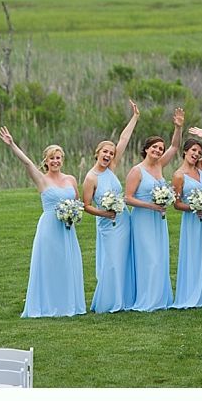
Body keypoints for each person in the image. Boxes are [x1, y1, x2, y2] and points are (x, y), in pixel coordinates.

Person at [0, 126, 86, 318]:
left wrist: (74, 214)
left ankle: (68, 305)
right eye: (52, 158)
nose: (55, 161)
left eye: (58, 157)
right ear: (46, 161)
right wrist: (12, 144)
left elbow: (77, 202)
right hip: (49, 228)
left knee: (67, 264)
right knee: (50, 265)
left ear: (62, 160)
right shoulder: (42, 180)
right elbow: (28, 163)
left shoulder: (71, 179)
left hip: (67, 228)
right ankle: (48, 305)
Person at [81, 100, 140, 313]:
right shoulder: (91, 177)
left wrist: (134, 117)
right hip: (107, 223)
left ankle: (125, 299)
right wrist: (104, 213)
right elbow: (86, 206)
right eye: (105, 152)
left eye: (111, 153)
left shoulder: (112, 168)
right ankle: (108, 302)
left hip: (124, 220)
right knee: (112, 261)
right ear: (97, 153)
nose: (108, 155)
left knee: (124, 259)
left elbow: (123, 139)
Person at [124, 107, 185, 312]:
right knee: (148, 257)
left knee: (160, 257)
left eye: (160, 148)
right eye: (155, 148)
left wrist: (178, 127)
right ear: (146, 149)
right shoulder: (136, 171)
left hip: (159, 219)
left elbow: (176, 146)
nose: (158, 151)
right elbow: (128, 198)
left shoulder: (159, 165)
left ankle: (160, 299)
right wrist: (151, 205)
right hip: (142, 219)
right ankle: (146, 300)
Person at [170, 127, 202, 309]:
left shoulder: (200, 168)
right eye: (193, 151)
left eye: (199, 152)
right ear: (185, 152)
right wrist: (194, 207)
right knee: (194, 255)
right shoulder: (178, 176)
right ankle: (192, 292)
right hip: (192, 220)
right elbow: (176, 204)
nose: (196, 155)